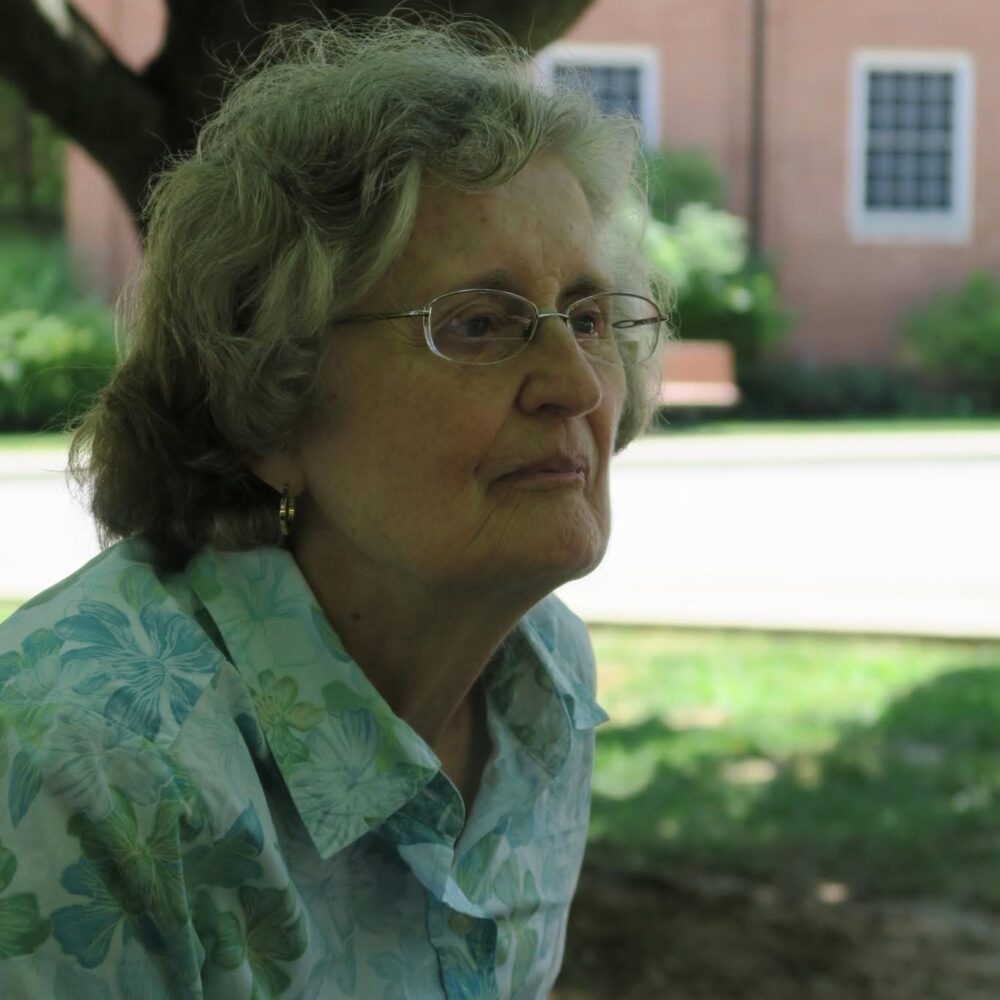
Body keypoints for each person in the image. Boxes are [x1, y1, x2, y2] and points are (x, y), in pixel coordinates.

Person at [0, 16, 665, 999]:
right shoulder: (84, 764)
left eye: (590, 317)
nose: (572, 382)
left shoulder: (541, 678)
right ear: (271, 399)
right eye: (479, 325)